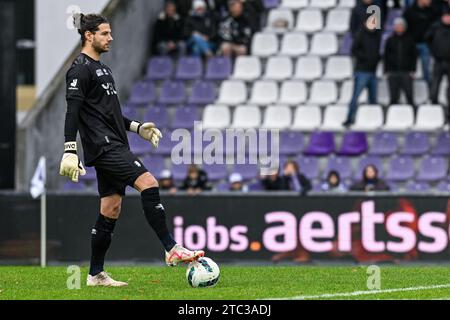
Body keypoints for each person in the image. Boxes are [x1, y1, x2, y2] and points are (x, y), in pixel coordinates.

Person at [59, 13, 204, 287]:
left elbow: (110, 114)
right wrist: (69, 148)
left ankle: (94, 274)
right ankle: (171, 248)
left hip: (114, 142)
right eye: (104, 33)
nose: (110, 37)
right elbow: (72, 111)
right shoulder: (79, 69)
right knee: (148, 183)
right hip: (105, 146)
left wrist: (137, 127)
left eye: (110, 32)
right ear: (88, 35)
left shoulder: (103, 69)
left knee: (110, 208)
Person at [343, 16, 382, 127]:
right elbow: (354, 50)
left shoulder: (376, 36)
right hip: (362, 71)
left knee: (373, 99)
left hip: (373, 71)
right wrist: (366, 58)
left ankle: (373, 120)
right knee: (356, 96)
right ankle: (350, 118)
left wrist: (376, 59)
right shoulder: (360, 34)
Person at [404, 0, 441, 84]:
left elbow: (436, 26)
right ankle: (409, 92)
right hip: (412, 44)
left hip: (425, 44)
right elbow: (404, 27)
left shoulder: (432, 11)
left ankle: (430, 93)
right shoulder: (409, 11)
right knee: (409, 70)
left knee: (427, 70)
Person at [384, 17, 418, 107]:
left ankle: (413, 116)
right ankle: (391, 117)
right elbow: (386, 57)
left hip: (406, 73)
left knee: (409, 97)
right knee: (393, 98)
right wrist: (386, 71)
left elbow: (414, 57)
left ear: (404, 27)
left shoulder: (410, 40)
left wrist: (413, 70)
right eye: (397, 26)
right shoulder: (389, 40)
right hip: (393, 72)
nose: (399, 27)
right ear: (394, 27)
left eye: (401, 25)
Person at [426, 13, 450, 110]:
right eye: (446, 16)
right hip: (438, 60)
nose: (448, 19)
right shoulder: (435, 27)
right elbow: (427, 38)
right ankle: (433, 101)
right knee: (435, 82)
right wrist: (434, 50)